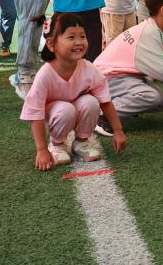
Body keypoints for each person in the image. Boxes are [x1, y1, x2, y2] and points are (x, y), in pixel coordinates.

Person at [21, 12, 126, 169]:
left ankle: (81, 143)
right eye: (71, 37)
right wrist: (41, 150)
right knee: (65, 109)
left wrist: (118, 130)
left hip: (73, 110)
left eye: (82, 36)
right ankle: (56, 145)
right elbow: (35, 113)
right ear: (51, 44)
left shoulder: (88, 68)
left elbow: (105, 101)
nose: (79, 42)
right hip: (55, 116)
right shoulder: (45, 74)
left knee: (91, 102)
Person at [93, 0, 163, 121]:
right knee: (150, 96)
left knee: (162, 101)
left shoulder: (154, 32)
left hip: (118, 77)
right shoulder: (148, 34)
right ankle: (100, 113)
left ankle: (118, 105)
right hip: (104, 79)